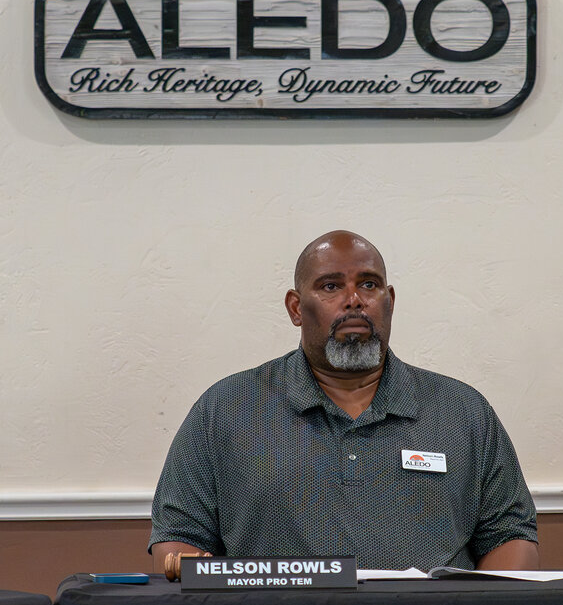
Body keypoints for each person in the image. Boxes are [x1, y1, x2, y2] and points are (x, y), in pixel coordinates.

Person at [150, 230, 538, 572]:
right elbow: (178, 538)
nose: (354, 300)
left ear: (390, 300)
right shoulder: (225, 409)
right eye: (331, 287)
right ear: (296, 308)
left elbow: (511, 536)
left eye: (369, 285)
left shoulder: (463, 411)